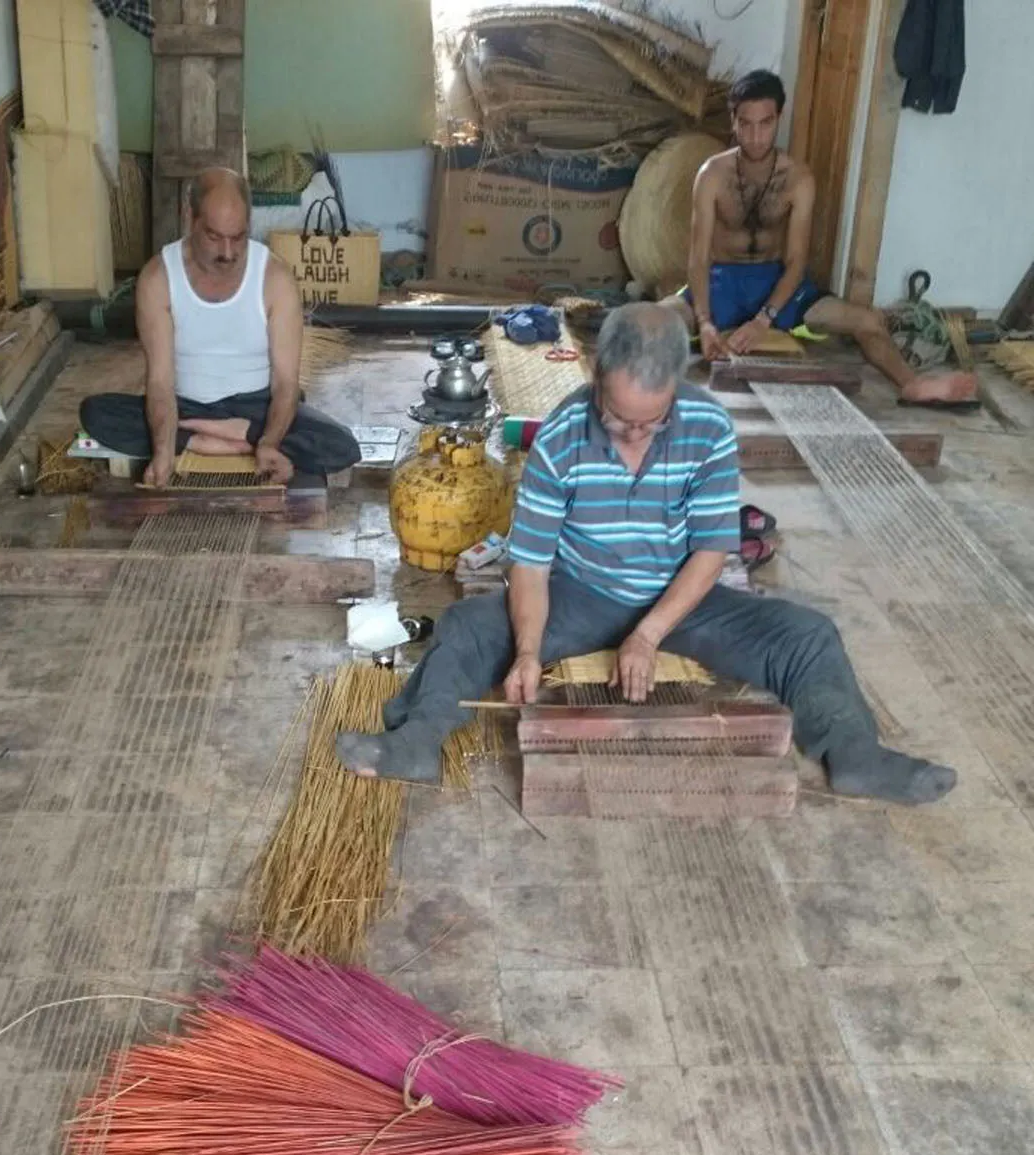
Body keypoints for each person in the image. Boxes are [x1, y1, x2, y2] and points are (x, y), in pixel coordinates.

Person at [337, 304, 956, 806]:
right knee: (469, 628)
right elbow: (531, 563)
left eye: (651, 423)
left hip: (683, 597)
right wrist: (527, 651)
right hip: (580, 593)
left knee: (808, 636)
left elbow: (711, 549)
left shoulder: (708, 427)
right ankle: (415, 743)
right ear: (597, 378)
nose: (632, 435)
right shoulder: (561, 435)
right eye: (616, 419)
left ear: (675, 393)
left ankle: (855, 755)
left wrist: (648, 635)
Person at [666, 69, 977, 409]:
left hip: (777, 283)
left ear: (779, 118)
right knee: (651, 322)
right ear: (733, 120)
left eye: (765, 124)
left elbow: (796, 261)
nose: (755, 136)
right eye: (745, 124)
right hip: (721, 281)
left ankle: (913, 384)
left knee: (869, 321)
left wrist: (763, 319)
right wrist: (705, 322)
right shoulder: (711, 174)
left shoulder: (798, 178)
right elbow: (698, 258)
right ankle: (636, 396)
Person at [80, 167, 360, 486]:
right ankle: (222, 438)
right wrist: (163, 451)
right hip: (184, 405)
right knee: (96, 414)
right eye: (214, 237)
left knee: (340, 444)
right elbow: (159, 382)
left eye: (238, 238)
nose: (227, 253)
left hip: (255, 407)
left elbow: (285, 384)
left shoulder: (275, 278)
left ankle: (207, 436)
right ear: (190, 217)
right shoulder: (158, 277)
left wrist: (269, 442)